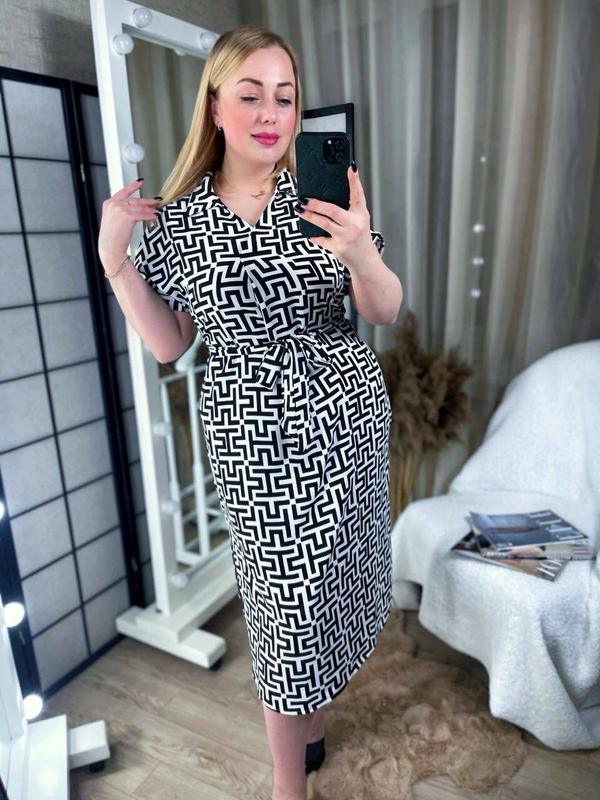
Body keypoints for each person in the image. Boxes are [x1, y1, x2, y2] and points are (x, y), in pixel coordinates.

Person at [98, 24, 403, 800]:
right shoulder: (179, 220)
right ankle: (286, 786)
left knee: (330, 588)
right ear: (215, 105)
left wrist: (362, 252)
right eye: (251, 94)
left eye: (286, 97)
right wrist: (114, 262)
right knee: (283, 610)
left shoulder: (324, 197)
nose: (271, 114)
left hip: (345, 421)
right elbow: (169, 344)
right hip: (251, 437)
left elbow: (384, 309)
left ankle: (314, 727)